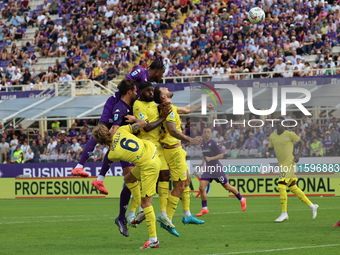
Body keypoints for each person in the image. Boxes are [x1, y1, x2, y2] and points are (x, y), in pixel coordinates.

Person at [92, 117, 169, 249]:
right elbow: (142, 124)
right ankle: (142, 210)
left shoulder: (112, 154)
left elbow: (109, 155)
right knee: (128, 179)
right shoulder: (121, 130)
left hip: (148, 166)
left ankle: (153, 240)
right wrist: (137, 120)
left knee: (146, 204)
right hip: (152, 155)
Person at [153, 85, 205, 235]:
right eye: (164, 88)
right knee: (180, 185)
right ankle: (167, 219)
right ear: (163, 96)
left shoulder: (170, 107)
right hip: (173, 150)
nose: (166, 87)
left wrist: (202, 105)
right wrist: (191, 139)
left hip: (177, 150)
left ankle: (187, 215)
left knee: (187, 181)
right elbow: (173, 131)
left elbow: (187, 109)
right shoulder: (167, 110)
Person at [126, 81, 171, 229]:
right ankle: (139, 209)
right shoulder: (138, 105)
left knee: (165, 176)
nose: (151, 93)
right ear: (140, 92)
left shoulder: (152, 104)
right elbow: (147, 126)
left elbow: (168, 98)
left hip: (158, 146)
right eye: (148, 91)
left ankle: (162, 213)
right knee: (142, 181)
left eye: (152, 91)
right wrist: (163, 117)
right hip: (146, 147)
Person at [266, 117, 319, 222]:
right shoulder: (273, 136)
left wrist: (298, 155)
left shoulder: (289, 134)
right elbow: (270, 147)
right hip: (281, 164)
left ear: (284, 124)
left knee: (281, 185)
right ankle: (312, 206)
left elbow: (302, 143)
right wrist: (267, 152)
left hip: (290, 162)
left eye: (281, 123)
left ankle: (284, 213)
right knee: (293, 187)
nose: (279, 125)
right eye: (277, 123)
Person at [197, 127, 247, 217]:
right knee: (201, 187)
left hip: (217, 169)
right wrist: (203, 162)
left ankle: (242, 199)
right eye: (205, 132)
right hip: (208, 170)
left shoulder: (214, 143)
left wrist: (210, 158)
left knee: (227, 187)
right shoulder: (202, 144)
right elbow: (205, 155)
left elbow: (221, 155)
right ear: (203, 134)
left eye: (208, 132)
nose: (206, 133)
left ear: (211, 133)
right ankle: (205, 208)